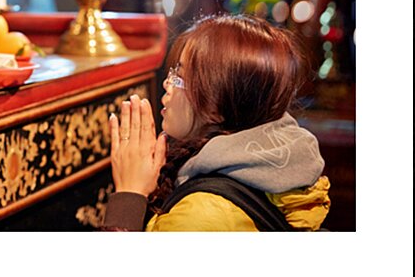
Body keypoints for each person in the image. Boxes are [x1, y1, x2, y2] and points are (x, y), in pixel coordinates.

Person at [103, 14, 331, 231]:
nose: (167, 83)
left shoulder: (200, 216)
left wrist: (129, 194)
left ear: (215, 107)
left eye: (179, 77)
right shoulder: (278, 163)